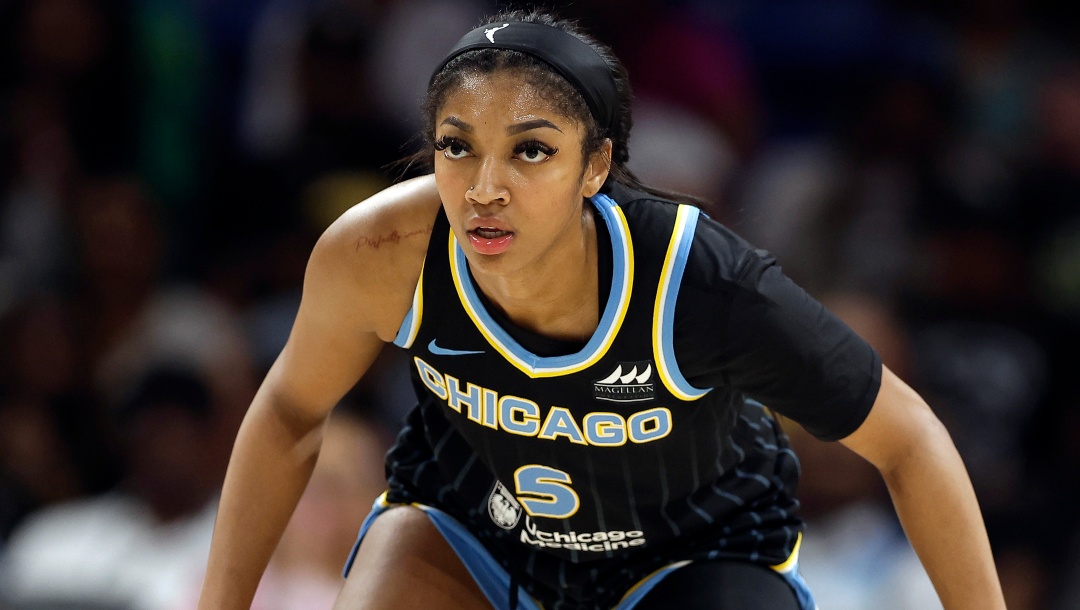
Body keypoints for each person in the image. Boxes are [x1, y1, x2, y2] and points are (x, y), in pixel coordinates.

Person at [198, 8, 1006, 610]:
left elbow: (910, 441)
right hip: (472, 536)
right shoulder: (381, 253)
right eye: (457, 145)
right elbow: (288, 414)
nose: (484, 188)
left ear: (596, 166)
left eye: (530, 150)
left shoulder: (699, 281)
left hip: (691, 559)